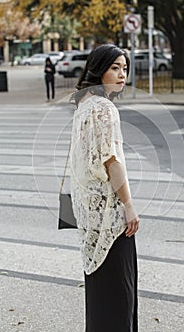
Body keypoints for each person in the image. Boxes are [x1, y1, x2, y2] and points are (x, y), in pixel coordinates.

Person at [70, 44, 139, 332]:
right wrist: (129, 206)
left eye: (124, 68)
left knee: (101, 296)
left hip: (90, 216)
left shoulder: (83, 104)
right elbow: (111, 161)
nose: (122, 74)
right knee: (120, 299)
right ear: (98, 69)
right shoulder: (105, 108)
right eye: (115, 68)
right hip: (110, 218)